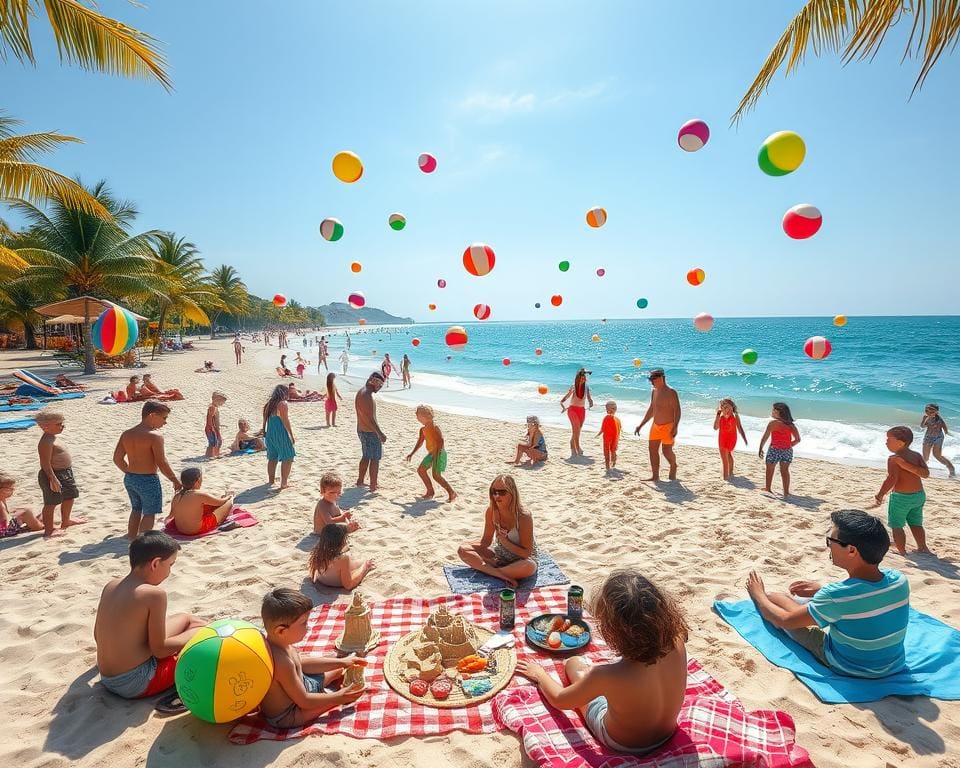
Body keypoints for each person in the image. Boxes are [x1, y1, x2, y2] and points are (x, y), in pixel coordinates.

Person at [517, 570, 686, 754]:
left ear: (614, 632)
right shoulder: (677, 640)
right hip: (667, 732)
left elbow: (559, 700)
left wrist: (540, 675)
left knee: (574, 664)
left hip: (621, 742)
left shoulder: (607, 675)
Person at [745, 509, 909, 678]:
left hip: (850, 667)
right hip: (893, 665)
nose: (829, 546)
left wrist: (758, 594)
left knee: (775, 599)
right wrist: (821, 589)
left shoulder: (836, 597)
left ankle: (777, 599)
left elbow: (785, 621)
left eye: (831, 541)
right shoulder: (899, 580)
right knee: (799, 603)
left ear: (852, 550)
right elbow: (864, 596)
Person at [94, 531, 206, 699]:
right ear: (155, 563)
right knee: (202, 647)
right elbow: (159, 650)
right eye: (170, 565)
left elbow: (97, 636)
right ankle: (201, 633)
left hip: (106, 677)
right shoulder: (154, 595)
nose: (169, 572)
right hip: (135, 683)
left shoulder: (111, 585)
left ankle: (197, 630)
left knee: (186, 618)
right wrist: (196, 635)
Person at [259, 588, 366, 728]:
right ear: (281, 631)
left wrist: (341, 662)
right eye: (303, 623)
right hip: (289, 713)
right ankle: (334, 697)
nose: (308, 627)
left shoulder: (282, 644)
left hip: (303, 684)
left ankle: (330, 683)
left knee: (339, 669)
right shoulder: (281, 662)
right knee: (338, 699)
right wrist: (337, 697)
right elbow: (304, 701)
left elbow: (302, 663)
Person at [114, 402, 182, 540]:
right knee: (149, 513)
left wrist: (129, 471)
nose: (165, 422)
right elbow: (161, 462)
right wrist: (174, 480)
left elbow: (117, 458)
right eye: (164, 418)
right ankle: (142, 541)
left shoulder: (127, 434)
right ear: (152, 416)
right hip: (148, 479)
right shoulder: (154, 436)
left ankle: (131, 535)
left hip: (130, 478)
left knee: (136, 508)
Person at [457, 474, 536, 588]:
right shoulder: (491, 511)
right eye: (493, 491)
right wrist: (469, 546)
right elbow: (486, 542)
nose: (496, 495)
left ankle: (489, 570)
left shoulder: (523, 516)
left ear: (512, 493)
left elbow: (526, 553)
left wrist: (505, 542)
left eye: (502, 492)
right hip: (499, 556)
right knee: (463, 550)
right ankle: (501, 574)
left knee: (528, 567)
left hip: (520, 560)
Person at [871, 426, 930, 555]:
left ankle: (901, 550)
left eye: (889, 439)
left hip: (901, 497)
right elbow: (926, 474)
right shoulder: (916, 455)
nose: (886, 442)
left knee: (896, 525)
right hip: (919, 496)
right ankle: (923, 547)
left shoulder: (893, 459)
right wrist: (906, 465)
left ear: (900, 442)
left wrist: (880, 494)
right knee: (916, 523)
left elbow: (892, 479)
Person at [36, 411, 84, 537]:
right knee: (51, 502)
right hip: (53, 474)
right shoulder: (45, 442)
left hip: (66, 473)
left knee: (70, 496)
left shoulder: (53, 438)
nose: (62, 426)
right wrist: (52, 478)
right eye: (59, 424)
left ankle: (66, 520)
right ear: (46, 426)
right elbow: (45, 463)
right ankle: (49, 529)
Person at [633, 369, 681, 481]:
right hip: (655, 426)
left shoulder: (671, 392)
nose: (651, 382)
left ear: (661, 378)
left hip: (668, 426)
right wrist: (641, 425)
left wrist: (675, 427)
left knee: (666, 451)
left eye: (652, 379)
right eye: (650, 379)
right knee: (652, 450)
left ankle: (673, 465)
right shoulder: (654, 391)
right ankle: (655, 476)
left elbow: (677, 410)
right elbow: (652, 409)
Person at [405, 404, 457, 502]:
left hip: (439, 453)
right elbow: (420, 442)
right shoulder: (423, 429)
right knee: (421, 470)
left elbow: (441, 441)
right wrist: (412, 453)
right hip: (431, 454)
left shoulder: (434, 427)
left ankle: (452, 492)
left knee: (436, 476)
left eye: (418, 416)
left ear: (426, 416)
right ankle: (430, 491)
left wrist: (437, 455)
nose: (417, 418)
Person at [168, 467, 234, 535]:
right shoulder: (198, 494)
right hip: (196, 530)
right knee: (228, 503)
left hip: (180, 529)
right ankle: (230, 498)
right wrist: (228, 497)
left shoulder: (176, 496)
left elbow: (171, 515)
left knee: (204, 506)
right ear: (198, 480)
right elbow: (220, 502)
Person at [308, 523, 375, 588]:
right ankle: (365, 565)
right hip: (336, 583)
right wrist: (365, 567)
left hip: (322, 580)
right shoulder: (343, 559)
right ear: (341, 541)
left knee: (348, 557)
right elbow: (348, 585)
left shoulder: (317, 551)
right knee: (360, 562)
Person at [758, 402, 801, 496]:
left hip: (774, 450)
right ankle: (786, 492)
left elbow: (765, 437)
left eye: (774, 410)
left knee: (770, 468)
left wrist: (760, 448)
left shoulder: (773, 423)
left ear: (779, 412)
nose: (772, 411)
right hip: (787, 451)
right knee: (785, 471)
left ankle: (768, 488)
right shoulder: (791, 425)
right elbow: (798, 440)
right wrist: (787, 445)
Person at [355, 372, 386, 492]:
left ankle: (360, 480)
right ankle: (373, 485)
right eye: (379, 384)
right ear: (373, 381)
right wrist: (380, 433)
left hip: (362, 429)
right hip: (369, 431)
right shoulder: (366, 395)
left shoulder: (362, 391)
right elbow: (369, 418)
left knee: (366, 456)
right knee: (374, 458)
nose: (380, 387)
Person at [262, 384, 296, 490]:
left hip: (270, 433)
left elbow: (264, 421)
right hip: (280, 432)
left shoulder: (268, 404)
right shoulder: (282, 404)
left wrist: (264, 431)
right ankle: (284, 483)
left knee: (272, 458)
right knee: (288, 457)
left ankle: (271, 481)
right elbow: (285, 421)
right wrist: (291, 435)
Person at [560, 368, 594, 456]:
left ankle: (572, 443)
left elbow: (589, 398)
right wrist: (562, 401)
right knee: (576, 428)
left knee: (577, 430)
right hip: (572, 410)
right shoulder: (573, 386)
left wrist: (591, 402)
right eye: (582, 378)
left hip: (581, 410)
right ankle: (577, 447)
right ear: (578, 378)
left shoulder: (586, 387)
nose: (584, 379)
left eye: (584, 378)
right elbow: (568, 396)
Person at [713, 398, 749, 480]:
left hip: (732, 439)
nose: (727, 410)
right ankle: (728, 475)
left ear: (732, 407)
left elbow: (740, 428)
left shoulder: (735, 417)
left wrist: (744, 438)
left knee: (727, 454)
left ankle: (729, 474)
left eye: (729, 407)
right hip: (722, 439)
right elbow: (715, 428)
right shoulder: (720, 418)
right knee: (725, 457)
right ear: (721, 409)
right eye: (724, 408)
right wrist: (718, 415)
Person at [0, 472, 44, 537]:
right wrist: (16, 518)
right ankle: (40, 527)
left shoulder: (2, 498)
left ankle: (36, 522)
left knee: (26, 513)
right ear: (2, 490)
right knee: (26, 512)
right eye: (11, 489)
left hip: (3, 529)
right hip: (3, 532)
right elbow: (4, 521)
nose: (13, 491)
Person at [921, 404, 955, 476]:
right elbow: (922, 426)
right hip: (928, 438)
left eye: (931, 412)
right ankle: (921, 469)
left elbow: (943, 425)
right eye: (927, 411)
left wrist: (946, 432)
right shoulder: (926, 417)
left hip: (938, 438)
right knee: (925, 457)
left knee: (937, 455)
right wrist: (924, 419)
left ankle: (951, 468)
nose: (928, 413)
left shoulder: (939, 418)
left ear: (936, 412)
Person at [597, 401, 622, 473]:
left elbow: (602, 428)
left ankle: (608, 467)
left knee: (606, 451)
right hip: (615, 437)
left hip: (608, 437)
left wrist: (599, 434)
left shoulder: (606, 417)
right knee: (613, 450)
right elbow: (620, 428)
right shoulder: (618, 419)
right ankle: (613, 465)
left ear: (607, 409)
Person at [204, 391, 227, 459]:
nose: (222, 404)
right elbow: (209, 419)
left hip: (214, 427)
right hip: (211, 428)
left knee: (218, 441)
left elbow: (215, 419)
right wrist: (211, 428)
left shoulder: (215, 407)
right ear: (217, 400)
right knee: (213, 442)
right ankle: (210, 455)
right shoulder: (212, 407)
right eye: (222, 402)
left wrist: (219, 425)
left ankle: (216, 453)